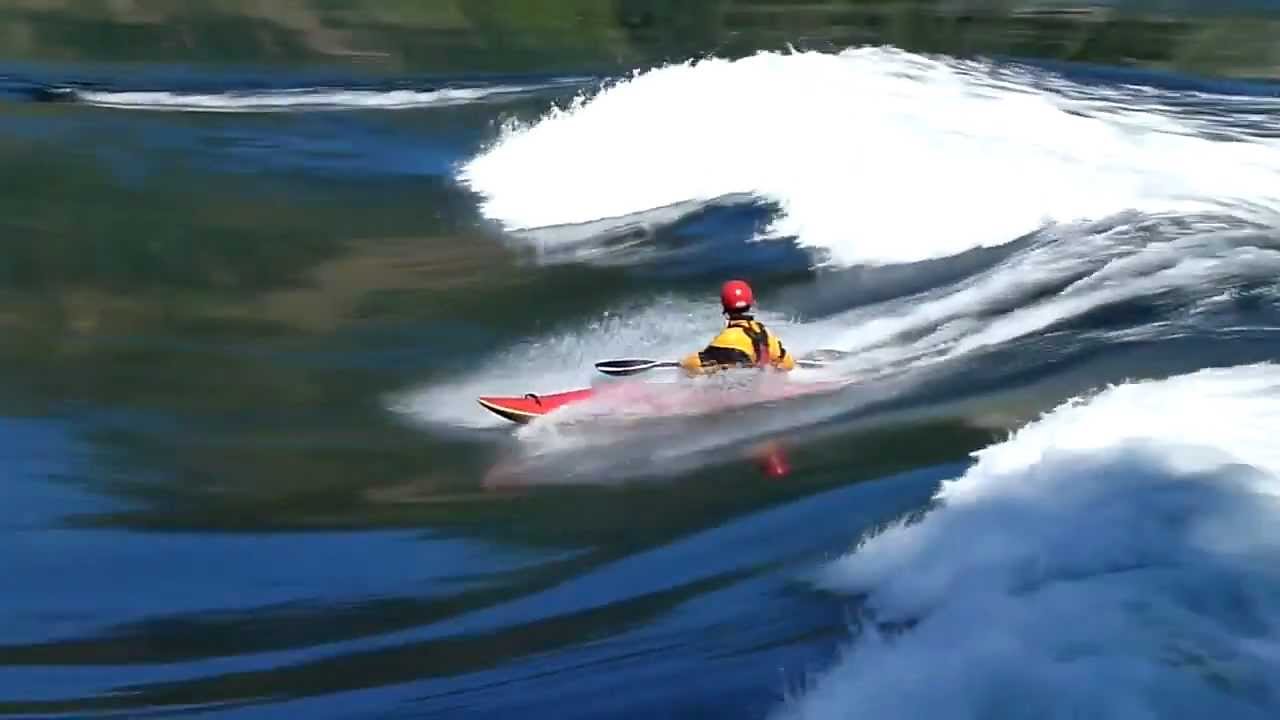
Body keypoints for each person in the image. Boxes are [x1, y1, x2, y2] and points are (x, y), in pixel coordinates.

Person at [680, 280, 796, 375]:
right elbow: (788, 364)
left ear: (724, 305)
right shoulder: (764, 332)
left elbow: (694, 364)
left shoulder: (726, 339)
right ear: (750, 303)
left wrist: (682, 363)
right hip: (758, 383)